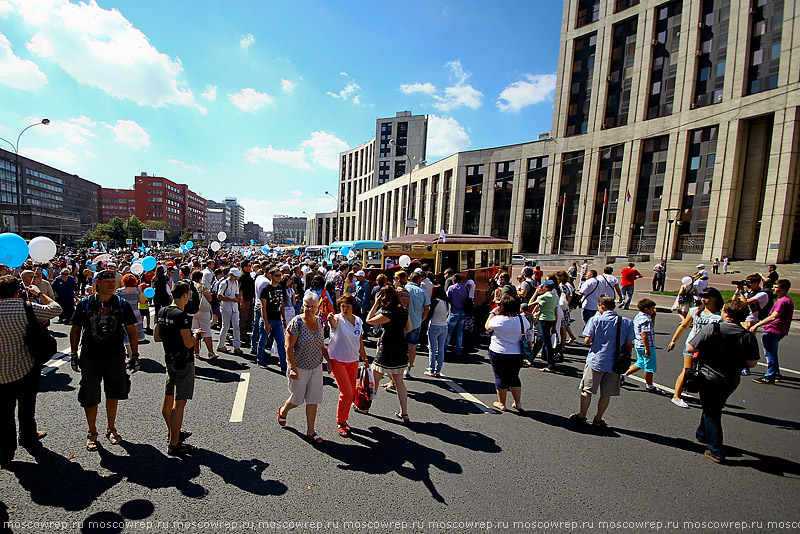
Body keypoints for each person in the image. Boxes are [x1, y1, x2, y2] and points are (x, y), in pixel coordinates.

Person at [69, 269, 139, 452]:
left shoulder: (121, 303)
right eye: (106, 281)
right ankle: (92, 432)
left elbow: (131, 330)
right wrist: (74, 355)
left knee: (114, 392)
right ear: (97, 284)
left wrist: (135, 355)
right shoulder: (85, 304)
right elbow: (75, 329)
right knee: (90, 394)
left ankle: (111, 427)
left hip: (115, 355)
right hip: (90, 356)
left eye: (112, 281)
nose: (111, 284)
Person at [686, 300, 759, 463]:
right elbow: (752, 363)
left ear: (726, 313)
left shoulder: (713, 329)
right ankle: (702, 433)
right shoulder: (747, 336)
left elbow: (691, 348)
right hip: (731, 379)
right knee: (713, 406)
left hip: (708, 376)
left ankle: (716, 449)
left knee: (712, 412)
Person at [0, 275, 62, 468]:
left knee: (4, 412)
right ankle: (28, 436)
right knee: (27, 405)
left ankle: (6, 451)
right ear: (18, 291)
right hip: (25, 365)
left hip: (0, 371)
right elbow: (56, 309)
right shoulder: (26, 308)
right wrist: (40, 294)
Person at [569, 297, 634, 428]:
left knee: (587, 389)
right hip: (615, 362)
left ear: (602, 306)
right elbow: (629, 345)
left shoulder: (595, 319)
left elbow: (588, 340)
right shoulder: (626, 322)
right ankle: (598, 418)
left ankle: (582, 415)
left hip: (597, 360)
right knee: (606, 393)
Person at [154, 281, 202, 456]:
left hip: (169, 358)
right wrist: (196, 335)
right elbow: (188, 343)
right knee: (179, 402)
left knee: (168, 397)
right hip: (184, 360)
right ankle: (175, 443)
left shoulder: (162, 311)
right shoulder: (181, 315)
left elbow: (157, 337)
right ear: (186, 294)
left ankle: (173, 431)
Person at [279, 292, 328, 444]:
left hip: (316, 366)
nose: (310, 309)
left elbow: (321, 344)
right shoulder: (296, 322)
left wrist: (329, 361)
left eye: (313, 306)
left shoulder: (320, 321)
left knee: (313, 400)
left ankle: (311, 431)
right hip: (299, 367)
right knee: (297, 400)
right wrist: (292, 367)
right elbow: (289, 347)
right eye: (307, 306)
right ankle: (283, 411)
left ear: (317, 307)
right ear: (303, 306)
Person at [666, 287, 724, 408]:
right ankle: (676, 396)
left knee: (708, 373)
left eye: (707, 297)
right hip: (692, 345)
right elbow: (684, 326)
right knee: (687, 370)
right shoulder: (695, 311)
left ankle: (708, 398)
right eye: (702, 296)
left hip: (710, 348)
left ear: (715, 298)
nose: (704, 299)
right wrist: (673, 340)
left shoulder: (721, 315)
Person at [366, 285, 413, 422]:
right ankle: (404, 413)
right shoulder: (403, 311)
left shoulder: (387, 313)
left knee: (375, 380)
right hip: (400, 346)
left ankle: (365, 407)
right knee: (399, 382)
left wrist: (375, 303)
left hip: (387, 348)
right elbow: (408, 328)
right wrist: (397, 332)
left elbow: (369, 320)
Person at [326, 295, 369, 437]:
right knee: (347, 392)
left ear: (353, 307)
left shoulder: (358, 321)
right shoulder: (338, 319)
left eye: (347, 306)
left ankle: (344, 419)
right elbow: (333, 323)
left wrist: (364, 357)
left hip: (353, 360)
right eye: (342, 306)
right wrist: (330, 317)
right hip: (337, 361)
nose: (344, 309)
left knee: (351, 391)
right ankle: (341, 422)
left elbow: (360, 341)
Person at [485, 295, 529, 411]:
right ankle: (518, 403)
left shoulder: (499, 319)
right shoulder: (521, 319)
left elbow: (487, 327)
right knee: (514, 376)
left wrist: (492, 313)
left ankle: (502, 403)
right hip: (516, 352)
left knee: (500, 376)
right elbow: (527, 329)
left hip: (498, 351)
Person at [750, 279, 793, 384]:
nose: (773, 289)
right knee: (772, 353)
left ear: (784, 289)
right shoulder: (787, 300)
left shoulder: (782, 301)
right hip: (780, 330)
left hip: (773, 330)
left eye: (776, 287)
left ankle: (770, 376)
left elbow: (774, 317)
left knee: (769, 354)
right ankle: (775, 373)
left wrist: (757, 325)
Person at [621, 299, 667, 394]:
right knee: (649, 366)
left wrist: (653, 318)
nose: (654, 310)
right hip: (646, 345)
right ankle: (649, 385)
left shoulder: (639, 316)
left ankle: (624, 376)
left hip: (638, 344)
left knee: (641, 362)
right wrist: (647, 349)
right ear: (646, 309)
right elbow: (644, 334)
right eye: (652, 308)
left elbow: (650, 328)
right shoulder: (646, 320)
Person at [404, 271, 431, 378]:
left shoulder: (404, 289)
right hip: (416, 322)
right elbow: (427, 308)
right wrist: (422, 318)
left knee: (400, 346)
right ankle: (408, 370)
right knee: (412, 348)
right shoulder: (423, 292)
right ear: (419, 280)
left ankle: (397, 369)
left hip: (404, 322)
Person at [259, 267, 287, 370]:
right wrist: (266, 323)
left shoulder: (280, 287)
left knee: (281, 342)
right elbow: (263, 307)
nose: (279, 277)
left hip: (278, 320)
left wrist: (283, 319)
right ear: (271, 276)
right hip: (268, 319)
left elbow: (282, 304)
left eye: (280, 275)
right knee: (263, 341)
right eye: (277, 275)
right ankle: (261, 360)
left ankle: (284, 365)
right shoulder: (265, 289)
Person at [530, 280, 559, 372]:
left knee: (547, 343)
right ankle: (531, 357)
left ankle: (551, 365)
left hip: (544, 319)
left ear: (546, 287)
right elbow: (556, 312)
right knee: (540, 339)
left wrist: (535, 293)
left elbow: (530, 304)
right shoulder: (555, 297)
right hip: (552, 319)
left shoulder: (543, 297)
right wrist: (555, 326)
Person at [216, 267, 243, 356]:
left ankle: (237, 347)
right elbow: (219, 296)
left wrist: (239, 298)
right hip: (226, 307)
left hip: (234, 307)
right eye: (235, 276)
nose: (236, 278)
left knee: (236, 326)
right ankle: (221, 345)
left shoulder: (236, 282)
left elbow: (236, 293)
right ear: (230, 275)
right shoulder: (224, 283)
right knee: (225, 326)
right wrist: (232, 299)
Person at [425, 284, 450, 377]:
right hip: (444, 326)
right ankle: (438, 370)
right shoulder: (447, 302)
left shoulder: (435, 302)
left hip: (434, 325)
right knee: (441, 349)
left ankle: (431, 369)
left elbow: (430, 315)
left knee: (432, 348)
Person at [115, 274, 147, 344]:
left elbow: (115, 303)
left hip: (124, 313)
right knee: (135, 333)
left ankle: (128, 351)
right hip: (135, 313)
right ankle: (134, 351)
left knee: (125, 333)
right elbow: (142, 302)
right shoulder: (137, 291)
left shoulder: (119, 291)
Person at [190, 270, 215, 358]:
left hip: (192, 310)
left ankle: (196, 352)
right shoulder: (202, 286)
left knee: (194, 330)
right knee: (206, 330)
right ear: (200, 278)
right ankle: (211, 352)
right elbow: (209, 298)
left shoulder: (189, 285)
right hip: (203, 310)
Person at [445, 273, 469, 356]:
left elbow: (447, 297)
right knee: (459, 333)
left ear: (453, 280)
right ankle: (458, 350)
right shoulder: (465, 288)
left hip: (453, 311)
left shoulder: (451, 288)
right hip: (462, 311)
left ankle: (444, 349)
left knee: (448, 332)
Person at [238, 260, 256, 347]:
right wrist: (242, 302)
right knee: (243, 318)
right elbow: (240, 290)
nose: (250, 267)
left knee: (248, 318)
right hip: (244, 300)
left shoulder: (248, 275)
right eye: (249, 265)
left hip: (249, 299)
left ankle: (244, 334)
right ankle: (242, 335)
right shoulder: (242, 276)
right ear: (244, 267)